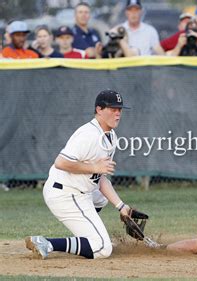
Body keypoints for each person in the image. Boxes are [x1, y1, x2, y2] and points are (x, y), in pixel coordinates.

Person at [25, 90, 136, 260]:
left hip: (80, 191)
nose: (118, 113)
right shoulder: (88, 135)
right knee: (102, 249)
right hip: (65, 193)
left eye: (120, 109)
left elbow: (99, 178)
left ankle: (88, 235)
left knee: (101, 198)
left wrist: (122, 207)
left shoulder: (110, 136)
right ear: (99, 109)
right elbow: (60, 162)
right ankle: (47, 243)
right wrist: (94, 166)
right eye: (113, 109)